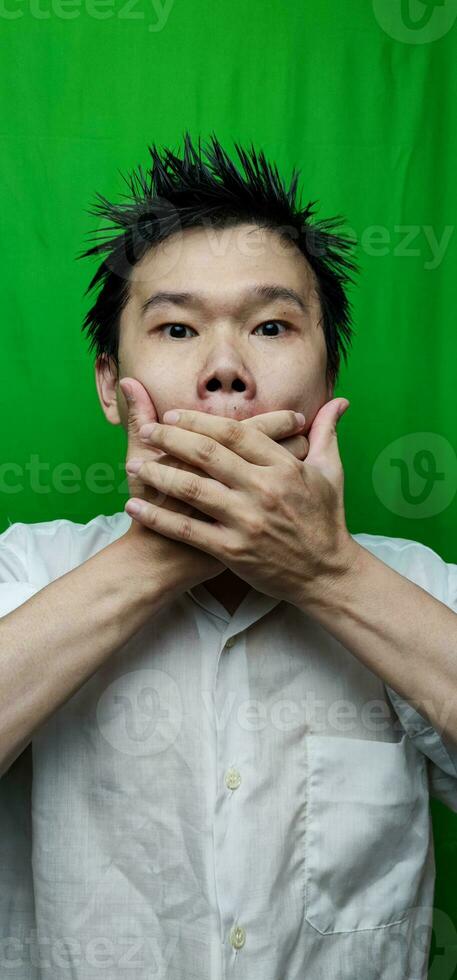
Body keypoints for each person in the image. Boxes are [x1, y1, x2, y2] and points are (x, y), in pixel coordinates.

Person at [0, 132, 456, 980]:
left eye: (272, 325)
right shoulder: (26, 572)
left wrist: (326, 573)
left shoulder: (419, 588)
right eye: (176, 327)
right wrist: (159, 555)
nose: (223, 370)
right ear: (109, 383)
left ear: (325, 379)